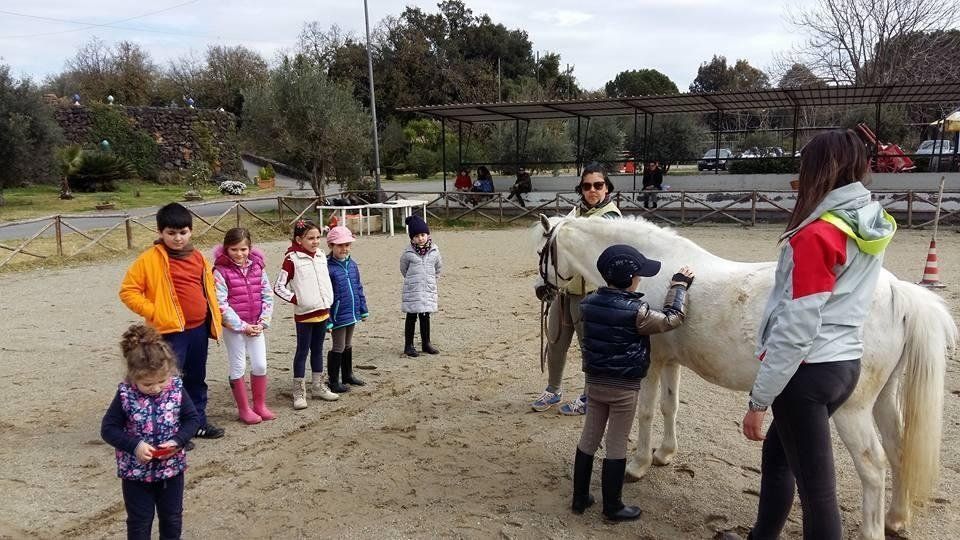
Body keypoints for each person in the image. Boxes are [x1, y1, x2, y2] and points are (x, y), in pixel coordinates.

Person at [732, 129, 896, 540]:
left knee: (818, 494)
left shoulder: (818, 234)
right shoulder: (867, 221)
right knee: (779, 458)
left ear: (819, 169)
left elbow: (798, 326)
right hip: (845, 364)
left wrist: (759, 400)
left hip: (807, 373)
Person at [572, 245, 693, 521]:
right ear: (631, 279)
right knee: (616, 443)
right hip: (623, 388)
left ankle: (579, 498)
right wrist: (679, 287)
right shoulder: (637, 311)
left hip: (595, 382)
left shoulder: (588, 303)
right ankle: (612, 506)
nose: (640, 279)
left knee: (589, 437)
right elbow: (672, 319)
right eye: (638, 275)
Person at [119, 202, 224, 442]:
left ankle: (197, 422)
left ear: (191, 231)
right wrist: (154, 312)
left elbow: (207, 287)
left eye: (183, 232)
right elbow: (128, 291)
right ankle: (171, 429)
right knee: (170, 381)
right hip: (170, 332)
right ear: (160, 232)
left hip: (198, 329)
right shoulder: (149, 259)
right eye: (171, 233)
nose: (178, 238)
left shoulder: (198, 257)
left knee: (196, 377)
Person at [532, 163, 621, 416]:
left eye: (598, 185)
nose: (592, 190)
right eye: (587, 186)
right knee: (555, 340)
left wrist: (560, 228)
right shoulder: (577, 212)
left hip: (592, 292)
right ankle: (553, 389)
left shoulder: (611, 216)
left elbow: (584, 237)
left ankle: (589, 396)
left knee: (588, 347)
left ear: (606, 187)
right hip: (565, 288)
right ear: (581, 189)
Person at [101, 324, 201, 540]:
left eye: (161, 381)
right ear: (133, 377)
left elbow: (192, 420)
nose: (155, 388)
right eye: (147, 384)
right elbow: (108, 429)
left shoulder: (176, 388)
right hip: (135, 474)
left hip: (171, 471)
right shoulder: (125, 394)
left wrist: (178, 441)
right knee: (139, 522)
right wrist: (135, 446)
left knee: (172, 518)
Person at [212, 227, 276, 425]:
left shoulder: (258, 267)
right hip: (235, 328)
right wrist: (241, 326)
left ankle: (259, 405)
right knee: (238, 365)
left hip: (256, 324)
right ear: (226, 249)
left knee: (260, 364)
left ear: (250, 248)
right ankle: (244, 409)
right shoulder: (220, 271)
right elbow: (221, 304)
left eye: (243, 249)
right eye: (234, 249)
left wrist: (263, 321)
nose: (239, 254)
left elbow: (267, 293)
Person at [274, 219, 338, 409]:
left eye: (318, 237)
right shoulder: (291, 260)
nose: (315, 241)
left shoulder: (320, 255)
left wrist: (327, 302)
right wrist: (296, 298)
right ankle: (299, 392)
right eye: (310, 238)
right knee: (302, 351)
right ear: (299, 240)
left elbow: (324, 281)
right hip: (304, 314)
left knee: (318, 349)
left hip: (322, 311)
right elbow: (278, 286)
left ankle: (318, 386)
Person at [326, 225, 370, 393]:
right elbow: (326, 295)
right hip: (337, 314)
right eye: (340, 245)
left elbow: (358, 287)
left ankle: (347, 374)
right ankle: (333, 381)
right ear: (331, 246)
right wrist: (328, 319)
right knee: (338, 346)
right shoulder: (327, 268)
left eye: (347, 245)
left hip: (351, 312)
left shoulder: (352, 265)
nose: (344, 248)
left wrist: (362, 308)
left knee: (348, 344)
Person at [400, 215, 443, 357]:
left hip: (428, 288)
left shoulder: (434, 251)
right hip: (413, 289)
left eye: (423, 235)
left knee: (425, 316)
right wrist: (412, 280)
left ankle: (426, 343)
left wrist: (431, 280)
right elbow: (403, 269)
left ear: (428, 235)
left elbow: (438, 268)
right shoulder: (408, 253)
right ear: (412, 238)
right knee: (411, 316)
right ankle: (409, 345)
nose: (420, 238)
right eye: (417, 236)